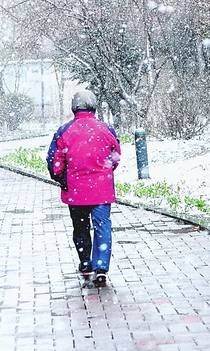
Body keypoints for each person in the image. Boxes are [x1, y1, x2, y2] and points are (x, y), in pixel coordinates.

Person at [46, 90, 121, 287]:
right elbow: (115, 157)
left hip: (76, 190)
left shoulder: (64, 131)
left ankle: (85, 262)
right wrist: (104, 171)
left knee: (81, 227)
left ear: (74, 107)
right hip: (101, 190)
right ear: (94, 106)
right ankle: (101, 267)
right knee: (102, 226)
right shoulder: (106, 130)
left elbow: (54, 162)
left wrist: (62, 178)